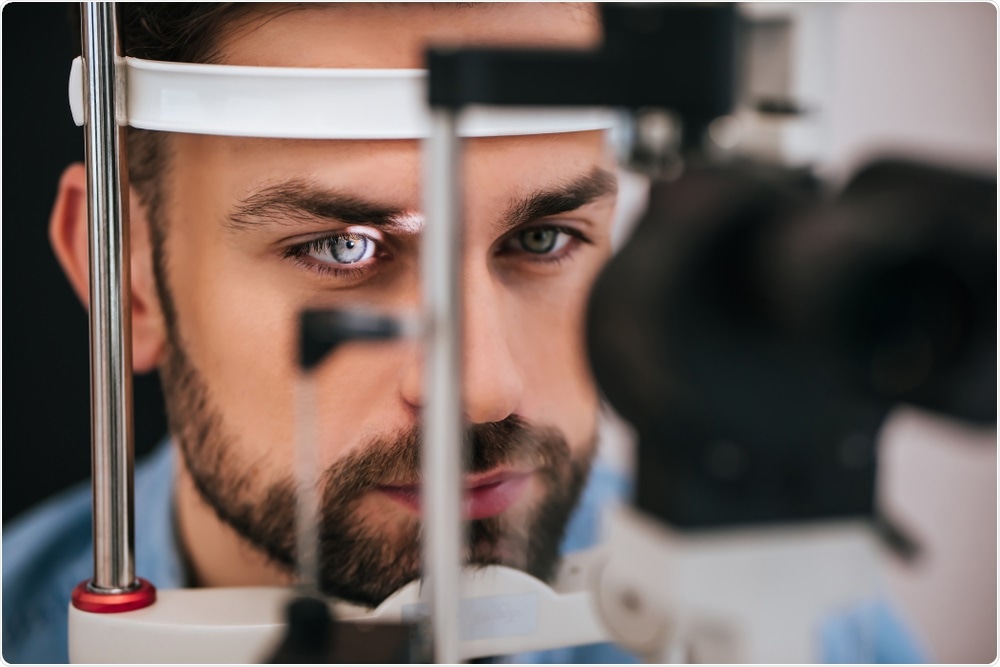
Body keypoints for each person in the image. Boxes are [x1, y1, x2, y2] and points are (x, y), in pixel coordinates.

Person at [2, 3, 928, 664]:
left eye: (541, 238)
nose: (483, 388)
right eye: (343, 245)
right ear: (125, 278)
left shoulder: (804, 629)